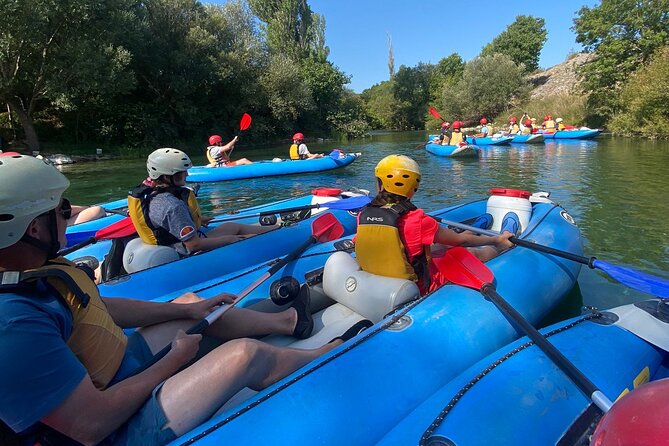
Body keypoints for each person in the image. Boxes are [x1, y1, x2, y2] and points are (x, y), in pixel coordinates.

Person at [0, 154, 369, 445]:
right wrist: (172, 360)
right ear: (32, 227)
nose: (69, 217)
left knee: (191, 302)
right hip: (111, 431)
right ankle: (327, 354)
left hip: (113, 370)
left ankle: (286, 322)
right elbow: (90, 425)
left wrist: (189, 309)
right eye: (62, 211)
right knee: (245, 354)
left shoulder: (36, 268)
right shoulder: (12, 325)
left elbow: (96, 307)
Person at [354, 155, 514, 295]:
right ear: (413, 187)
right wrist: (495, 240)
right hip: (419, 286)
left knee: (440, 247)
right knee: (467, 251)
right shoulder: (417, 218)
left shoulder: (364, 214)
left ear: (380, 184)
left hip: (381, 280)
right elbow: (460, 241)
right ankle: (501, 246)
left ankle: (478, 233)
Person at [130, 148, 273, 255]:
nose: (186, 174)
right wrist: (230, 239)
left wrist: (196, 219)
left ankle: (279, 230)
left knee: (231, 225)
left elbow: (166, 222)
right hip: (185, 252)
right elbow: (194, 245)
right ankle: (282, 234)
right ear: (166, 177)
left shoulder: (150, 193)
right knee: (247, 237)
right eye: (181, 172)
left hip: (173, 243)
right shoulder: (172, 206)